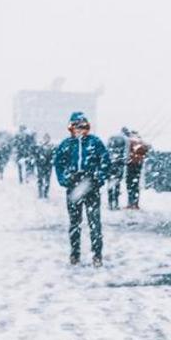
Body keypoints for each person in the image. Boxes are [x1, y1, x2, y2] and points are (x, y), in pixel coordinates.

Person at [54, 112, 110, 267]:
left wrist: (98, 177)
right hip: (74, 189)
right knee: (74, 223)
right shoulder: (66, 144)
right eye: (76, 126)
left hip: (91, 187)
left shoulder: (95, 142)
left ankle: (97, 255)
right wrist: (65, 179)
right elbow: (59, 164)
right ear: (71, 127)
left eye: (82, 126)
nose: (79, 130)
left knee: (94, 222)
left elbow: (105, 161)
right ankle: (75, 253)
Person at [123, 128, 150, 210]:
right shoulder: (141, 141)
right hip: (138, 164)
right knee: (135, 184)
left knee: (129, 184)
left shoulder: (130, 141)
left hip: (131, 164)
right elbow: (147, 149)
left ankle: (130, 203)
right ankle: (135, 203)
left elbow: (126, 153)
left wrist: (126, 160)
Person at [106, 133, 127, 210]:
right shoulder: (121, 151)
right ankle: (116, 203)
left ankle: (110, 203)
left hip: (111, 170)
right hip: (117, 169)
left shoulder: (109, 150)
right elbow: (123, 161)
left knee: (110, 187)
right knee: (117, 186)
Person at [35, 133, 54, 199]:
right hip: (40, 166)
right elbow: (36, 155)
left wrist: (51, 161)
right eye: (45, 138)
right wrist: (38, 160)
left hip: (48, 166)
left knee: (47, 180)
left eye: (47, 138)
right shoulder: (40, 146)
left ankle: (46, 193)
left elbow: (53, 156)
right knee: (40, 180)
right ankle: (40, 193)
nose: (46, 139)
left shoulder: (51, 147)